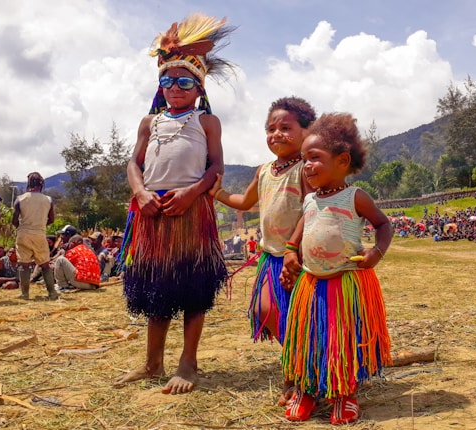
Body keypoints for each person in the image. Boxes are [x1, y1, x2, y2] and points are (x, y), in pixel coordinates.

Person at [113, 14, 233, 395]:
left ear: (198, 88)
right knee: (156, 288)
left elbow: (216, 167)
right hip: (152, 213)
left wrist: (192, 193)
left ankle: (188, 362)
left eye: (184, 82)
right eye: (168, 81)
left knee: (193, 286)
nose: (175, 87)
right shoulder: (150, 122)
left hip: (190, 211)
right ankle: (152, 363)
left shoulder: (206, 121)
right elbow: (134, 163)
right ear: (160, 85)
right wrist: (141, 194)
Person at [280, 113, 393, 425]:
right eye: (304, 160)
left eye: (314, 158)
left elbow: (383, 224)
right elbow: (304, 223)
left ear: (342, 161)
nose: (307, 166)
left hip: (345, 283)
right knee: (309, 339)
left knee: (340, 340)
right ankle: (306, 390)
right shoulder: (309, 199)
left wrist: (376, 252)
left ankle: (345, 394)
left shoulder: (355, 197)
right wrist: (291, 248)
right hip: (311, 282)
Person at [210, 96, 316, 405]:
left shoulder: (307, 169)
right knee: (266, 311)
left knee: (300, 317)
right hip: (271, 257)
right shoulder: (265, 170)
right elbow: (244, 202)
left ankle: (301, 375)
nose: (277, 134)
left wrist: (294, 249)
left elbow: (313, 210)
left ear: (307, 131)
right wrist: (217, 193)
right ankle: (297, 361)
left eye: (286, 127)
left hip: (300, 258)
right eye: (271, 129)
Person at [12, 172, 59, 300]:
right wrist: (41, 224)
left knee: (24, 263)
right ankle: (52, 292)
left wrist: (22, 227)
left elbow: (14, 220)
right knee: (44, 263)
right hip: (39, 233)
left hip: (23, 233)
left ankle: (25, 293)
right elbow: (51, 219)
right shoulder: (48, 200)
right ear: (41, 184)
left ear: (29, 183)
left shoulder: (20, 199)